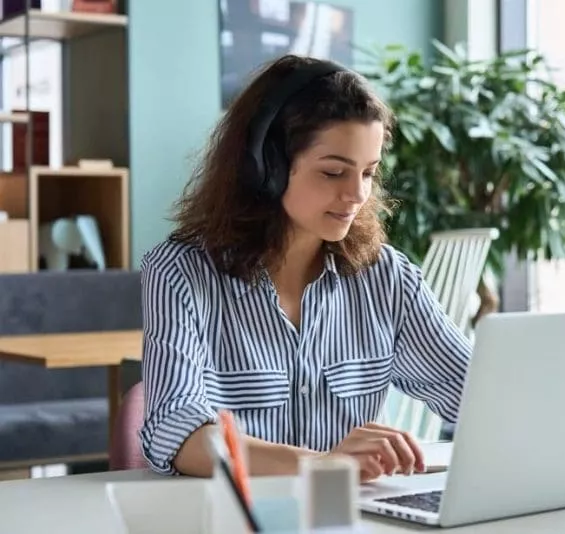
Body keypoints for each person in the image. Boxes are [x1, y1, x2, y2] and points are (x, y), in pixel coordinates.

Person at [138, 54, 472, 482]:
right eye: (333, 172)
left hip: (352, 523)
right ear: (267, 169)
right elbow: (176, 432)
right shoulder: (180, 274)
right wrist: (322, 466)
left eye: (367, 173)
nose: (356, 194)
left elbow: (478, 396)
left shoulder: (387, 277)